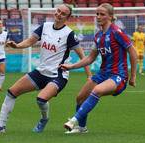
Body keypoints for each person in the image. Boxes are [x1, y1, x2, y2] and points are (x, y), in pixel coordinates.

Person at [0, 4, 92, 133]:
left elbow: (83, 56)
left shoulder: (69, 34)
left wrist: (89, 77)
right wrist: (17, 46)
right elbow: (30, 41)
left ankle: (44, 119)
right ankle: (0, 127)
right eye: (58, 11)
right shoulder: (45, 26)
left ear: (67, 18)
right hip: (41, 72)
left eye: (63, 13)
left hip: (58, 75)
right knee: (11, 92)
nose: (59, 14)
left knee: (41, 99)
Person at [58, 3, 137, 133]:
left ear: (110, 17)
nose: (98, 17)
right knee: (80, 98)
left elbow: (132, 52)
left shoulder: (117, 32)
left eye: (102, 14)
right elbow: (90, 58)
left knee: (97, 90)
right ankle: (82, 128)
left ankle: (73, 121)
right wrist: (71, 67)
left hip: (118, 75)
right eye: (97, 14)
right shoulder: (98, 36)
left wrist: (132, 76)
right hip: (103, 74)